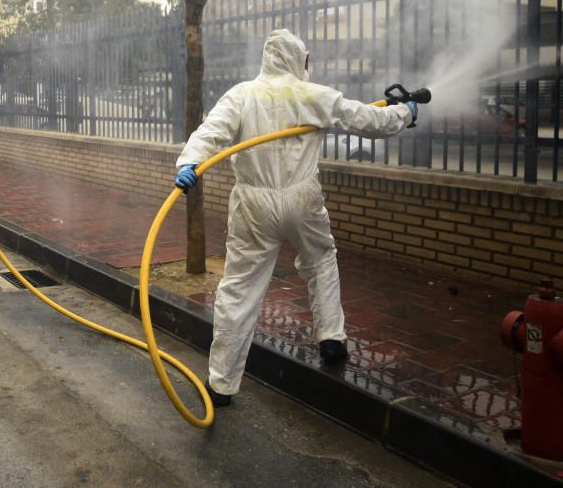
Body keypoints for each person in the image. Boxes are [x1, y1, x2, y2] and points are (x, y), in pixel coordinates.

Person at [173, 28, 420, 407]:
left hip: (253, 204)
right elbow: (369, 121)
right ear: (297, 59)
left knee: (239, 288)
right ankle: (332, 337)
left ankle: (221, 384)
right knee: (321, 259)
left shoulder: (241, 95)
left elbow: (210, 133)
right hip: (302, 198)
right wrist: (406, 112)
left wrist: (190, 163)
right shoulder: (312, 95)